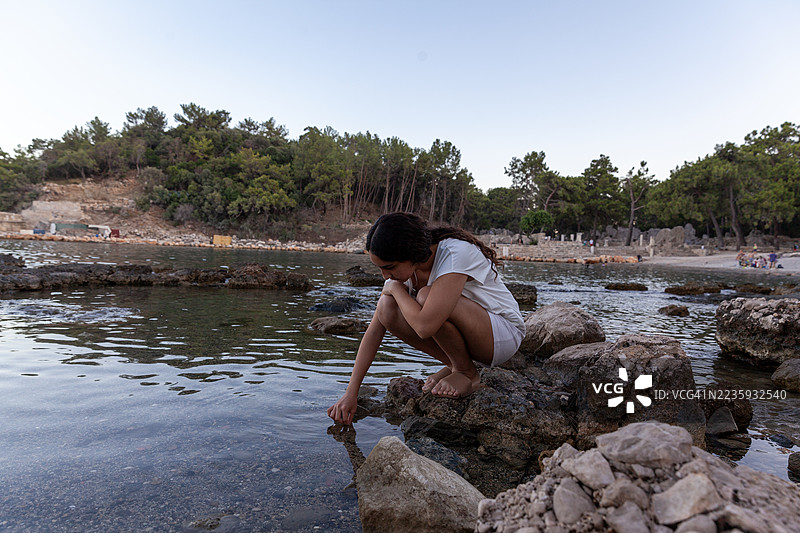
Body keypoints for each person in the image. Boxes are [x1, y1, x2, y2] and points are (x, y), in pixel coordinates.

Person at [328, 212, 525, 425]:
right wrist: (351, 393)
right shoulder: (406, 272)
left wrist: (396, 289)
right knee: (387, 307)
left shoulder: (455, 253)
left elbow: (425, 326)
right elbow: (374, 331)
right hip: (474, 336)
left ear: (413, 254)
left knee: (424, 297)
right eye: (380, 268)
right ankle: (455, 364)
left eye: (389, 267)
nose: (385, 276)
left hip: (501, 336)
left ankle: (467, 374)